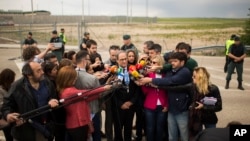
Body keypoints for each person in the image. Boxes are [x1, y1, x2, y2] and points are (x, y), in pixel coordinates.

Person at [138, 52, 192, 141]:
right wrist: (143, 83)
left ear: (182, 62)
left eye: (175, 61)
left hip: (175, 107)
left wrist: (151, 80)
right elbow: (145, 91)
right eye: (171, 61)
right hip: (160, 107)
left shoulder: (180, 72)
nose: (172, 63)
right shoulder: (169, 71)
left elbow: (169, 83)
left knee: (181, 133)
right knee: (168, 133)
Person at [1, 61, 59, 141]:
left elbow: (53, 97)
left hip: (45, 128)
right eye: (38, 71)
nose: (42, 72)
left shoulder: (47, 82)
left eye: (41, 69)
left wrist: (52, 100)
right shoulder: (17, 87)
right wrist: (8, 115)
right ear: (29, 75)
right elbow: (6, 105)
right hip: (25, 131)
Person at [56, 66, 112, 141]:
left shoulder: (69, 89)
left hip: (79, 124)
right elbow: (86, 93)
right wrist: (103, 88)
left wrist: (103, 90)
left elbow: (85, 98)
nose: (75, 79)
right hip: (76, 125)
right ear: (67, 78)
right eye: (74, 77)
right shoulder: (68, 91)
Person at [74, 50, 102, 141]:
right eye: (89, 59)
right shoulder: (92, 78)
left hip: (75, 113)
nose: (90, 62)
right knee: (95, 134)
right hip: (92, 111)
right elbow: (99, 94)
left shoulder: (70, 74)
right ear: (84, 61)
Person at [140, 55, 168, 141]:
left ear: (160, 64)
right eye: (152, 62)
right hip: (149, 105)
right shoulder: (149, 74)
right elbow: (145, 91)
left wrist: (167, 105)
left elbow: (168, 91)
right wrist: (145, 84)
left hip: (162, 105)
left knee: (160, 128)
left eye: (154, 62)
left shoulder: (165, 75)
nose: (152, 64)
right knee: (150, 128)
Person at [189, 67, 222, 140]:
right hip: (195, 118)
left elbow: (219, 107)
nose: (192, 77)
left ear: (200, 77)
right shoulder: (192, 87)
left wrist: (203, 106)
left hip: (209, 118)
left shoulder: (213, 89)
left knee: (211, 137)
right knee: (196, 138)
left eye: (194, 76)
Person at [111, 51, 138, 141]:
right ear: (117, 61)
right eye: (121, 59)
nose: (124, 61)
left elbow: (137, 89)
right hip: (118, 107)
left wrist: (131, 102)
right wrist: (120, 104)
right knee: (118, 130)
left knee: (128, 129)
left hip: (130, 105)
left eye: (125, 59)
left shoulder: (133, 71)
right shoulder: (114, 73)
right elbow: (112, 92)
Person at [0, 68, 16, 141]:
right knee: (7, 125)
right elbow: (2, 106)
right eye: (11, 81)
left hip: (7, 111)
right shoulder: (1, 90)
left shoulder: (10, 87)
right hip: (1, 114)